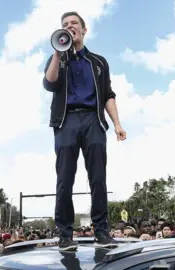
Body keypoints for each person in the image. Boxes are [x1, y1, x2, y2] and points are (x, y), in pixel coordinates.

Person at [43, 11, 126, 251]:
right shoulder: (57, 59)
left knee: (98, 178)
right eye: (65, 25)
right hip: (66, 120)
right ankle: (65, 234)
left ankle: (102, 231)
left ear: (84, 30)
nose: (70, 27)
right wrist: (58, 53)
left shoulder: (99, 62)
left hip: (93, 120)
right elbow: (50, 83)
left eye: (74, 24)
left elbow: (108, 94)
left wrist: (118, 124)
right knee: (64, 178)